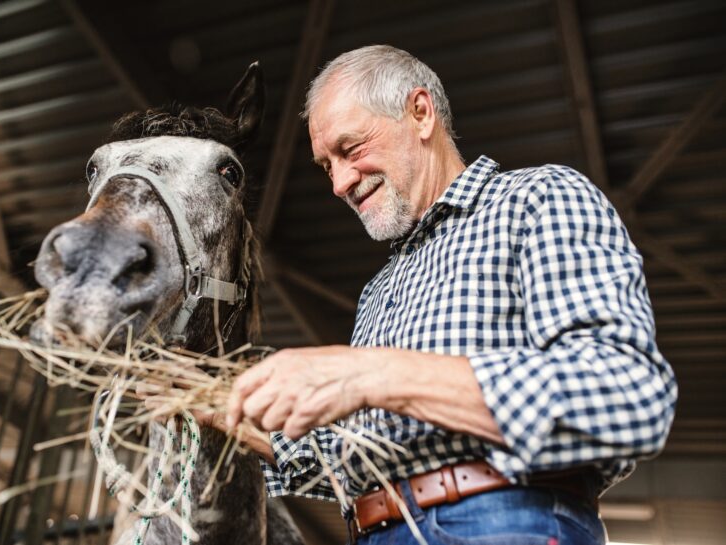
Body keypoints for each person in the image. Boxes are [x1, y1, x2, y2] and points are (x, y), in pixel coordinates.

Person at [222, 45, 677, 544]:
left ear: (420, 113)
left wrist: (371, 374)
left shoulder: (536, 199)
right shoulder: (380, 289)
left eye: (350, 149)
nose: (340, 183)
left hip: (500, 524)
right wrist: (228, 422)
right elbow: (363, 456)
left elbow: (625, 390)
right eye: (327, 166)